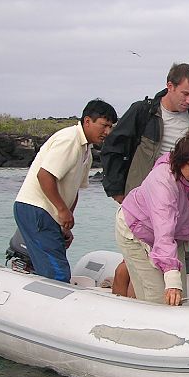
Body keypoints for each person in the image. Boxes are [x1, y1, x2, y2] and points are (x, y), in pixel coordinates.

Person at [100, 62, 189, 222]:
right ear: (170, 86)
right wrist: (117, 191)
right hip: (143, 203)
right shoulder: (143, 112)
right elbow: (112, 148)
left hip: (184, 208)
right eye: (185, 94)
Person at [13, 99, 117, 282]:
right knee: (58, 274)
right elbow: (44, 176)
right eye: (104, 125)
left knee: (53, 268)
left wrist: (65, 223)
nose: (107, 132)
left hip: (48, 212)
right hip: (36, 208)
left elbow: (74, 189)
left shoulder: (86, 150)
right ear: (87, 121)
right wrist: (62, 210)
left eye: (110, 127)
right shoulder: (69, 139)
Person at [115, 131, 189, 305]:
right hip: (137, 229)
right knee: (157, 297)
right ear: (179, 163)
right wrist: (171, 281)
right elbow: (164, 232)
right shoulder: (162, 182)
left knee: (179, 297)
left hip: (173, 234)